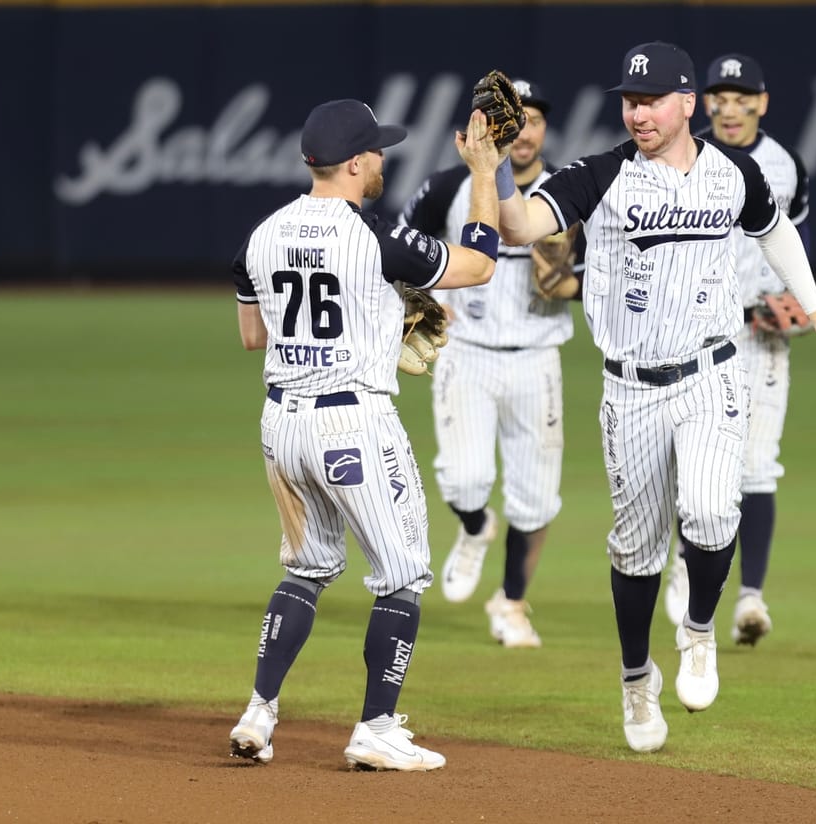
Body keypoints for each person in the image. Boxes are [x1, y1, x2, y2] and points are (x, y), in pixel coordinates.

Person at [492, 42, 816, 753]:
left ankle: (697, 634)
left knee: (715, 510)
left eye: (652, 99)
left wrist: (815, 309)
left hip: (711, 373)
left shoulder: (733, 173)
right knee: (636, 553)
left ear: (687, 102)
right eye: (629, 101)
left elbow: (774, 228)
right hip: (629, 388)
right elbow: (520, 226)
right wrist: (492, 166)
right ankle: (635, 680)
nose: (638, 113)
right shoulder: (600, 175)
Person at [227, 99, 503, 771]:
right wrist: (486, 175)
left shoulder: (259, 238)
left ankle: (259, 714)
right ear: (354, 163)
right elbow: (479, 265)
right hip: (352, 421)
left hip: (281, 426)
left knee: (309, 566)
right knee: (403, 572)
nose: (383, 159)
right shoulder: (377, 238)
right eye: (377, 151)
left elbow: (251, 337)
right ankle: (377, 727)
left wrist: (371, 317)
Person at [398, 79, 583, 649]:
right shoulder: (451, 187)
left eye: (532, 119)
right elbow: (399, 249)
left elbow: (606, 275)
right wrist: (420, 298)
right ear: (482, 131)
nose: (522, 131)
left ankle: (512, 603)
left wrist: (569, 283)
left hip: (536, 357)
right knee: (465, 478)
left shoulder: (570, 193)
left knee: (536, 495)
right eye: (509, 120)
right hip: (467, 354)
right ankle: (476, 528)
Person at [663, 53, 812, 647]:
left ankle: (750, 597)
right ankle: (683, 563)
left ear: (761, 103)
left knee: (756, 467)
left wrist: (800, 305)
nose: (729, 107)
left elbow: (795, 245)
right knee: (692, 467)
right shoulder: (685, 159)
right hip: (697, 337)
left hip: (760, 342)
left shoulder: (786, 166)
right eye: (719, 97)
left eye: (741, 96)